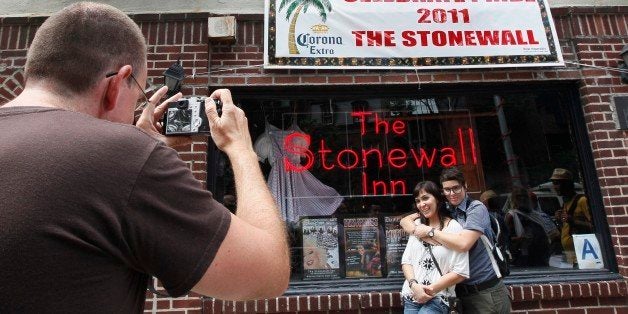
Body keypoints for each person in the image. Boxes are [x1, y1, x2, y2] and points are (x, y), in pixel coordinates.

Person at [0, 2, 289, 312]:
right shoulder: (122, 155)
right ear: (116, 83)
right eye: (137, 93)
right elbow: (267, 272)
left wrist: (142, 150)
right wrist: (241, 147)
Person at [400, 168, 511, 313]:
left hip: (485, 291)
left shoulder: (476, 208)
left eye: (456, 188)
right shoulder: (446, 208)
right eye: (447, 190)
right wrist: (417, 231)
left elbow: (463, 244)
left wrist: (430, 232)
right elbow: (406, 220)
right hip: (460, 292)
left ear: (465, 186)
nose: (452, 194)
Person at [401, 181, 469, 314]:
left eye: (426, 198)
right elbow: (406, 261)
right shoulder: (416, 226)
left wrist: (429, 290)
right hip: (412, 296)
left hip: (438, 298)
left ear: (437, 198)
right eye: (418, 201)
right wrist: (414, 285)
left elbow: (461, 272)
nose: (422, 204)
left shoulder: (453, 227)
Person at [550, 168, 593, 266]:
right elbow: (566, 229)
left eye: (557, 183)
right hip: (571, 256)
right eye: (553, 183)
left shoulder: (582, 200)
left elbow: (595, 226)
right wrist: (560, 221)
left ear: (567, 184)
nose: (555, 187)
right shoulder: (565, 203)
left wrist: (573, 221)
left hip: (584, 254)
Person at [504, 186, 551, 267]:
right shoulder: (512, 216)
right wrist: (520, 239)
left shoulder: (536, 215)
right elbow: (505, 239)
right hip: (523, 257)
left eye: (524, 196)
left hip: (540, 255)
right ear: (514, 199)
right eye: (518, 197)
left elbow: (547, 234)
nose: (522, 199)